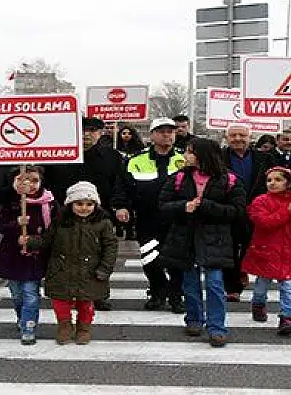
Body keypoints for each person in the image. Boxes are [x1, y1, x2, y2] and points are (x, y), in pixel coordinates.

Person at [158, 138, 246, 347]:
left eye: (190, 152)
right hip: (185, 237)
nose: (186, 156)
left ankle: (217, 327)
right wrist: (183, 206)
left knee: (215, 284)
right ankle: (194, 319)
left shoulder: (229, 180)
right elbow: (163, 204)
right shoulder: (179, 177)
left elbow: (238, 211)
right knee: (190, 283)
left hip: (215, 239)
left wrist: (206, 206)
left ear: (203, 155)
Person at [20, 181, 117, 345]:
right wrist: (29, 241)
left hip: (90, 271)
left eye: (89, 204)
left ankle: (84, 328)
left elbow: (110, 247)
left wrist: (104, 269)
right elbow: (46, 241)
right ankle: (64, 326)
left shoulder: (103, 223)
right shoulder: (60, 222)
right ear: (71, 204)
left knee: (86, 303)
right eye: (79, 204)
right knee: (61, 302)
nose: (84, 208)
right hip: (61, 270)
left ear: (95, 205)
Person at [43, 117, 124, 312]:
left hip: (100, 216)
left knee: (100, 254)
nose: (86, 134)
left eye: (92, 131)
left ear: (100, 133)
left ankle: (98, 294)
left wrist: (119, 206)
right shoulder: (60, 154)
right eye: (82, 130)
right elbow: (48, 183)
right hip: (66, 214)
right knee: (68, 254)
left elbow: (120, 184)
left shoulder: (112, 156)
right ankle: (67, 293)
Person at [114, 118, 186, 313]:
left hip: (178, 219)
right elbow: (122, 185)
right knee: (150, 258)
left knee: (177, 261)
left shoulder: (185, 158)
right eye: (161, 131)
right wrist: (121, 206)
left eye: (170, 131)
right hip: (148, 218)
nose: (167, 135)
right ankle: (157, 293)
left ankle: (176, 296)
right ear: (152, 135)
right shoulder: (136, 160)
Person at [241, 167, 291, 335]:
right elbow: (264, 222)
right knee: (262, 284)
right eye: (269, 180)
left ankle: (287, 317)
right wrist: (287, 211)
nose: (272, 183)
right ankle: (258, 303)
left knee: (288, 286)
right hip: (267, 251)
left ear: (289, 183)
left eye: (278, 180)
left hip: (290, 251)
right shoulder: (260, 201)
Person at [0, 166, 58, 345]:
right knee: (17, 294)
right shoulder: (11, 201)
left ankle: (29, 326)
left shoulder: (49, 202)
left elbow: (54, 228)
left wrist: (36, 240)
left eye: (34, 180)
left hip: (35, 255)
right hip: (12, 254)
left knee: (31, 293)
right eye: (22, 180)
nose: (28, 184)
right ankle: (22, 316)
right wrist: (16, 223)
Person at [220, 124, 277, 302]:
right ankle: (232, 286)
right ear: (227, 137)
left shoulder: (264, 158)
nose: (238, 138)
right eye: (233, 135)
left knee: (250, 246)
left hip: (256, 209)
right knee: (228, 248)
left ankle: (242, 270)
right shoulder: (219, 157)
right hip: (228, 209)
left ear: (250, 137)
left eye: (242, 135)